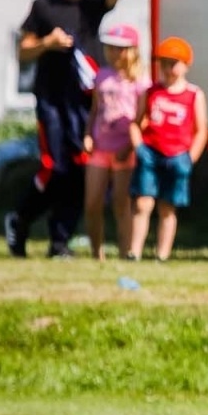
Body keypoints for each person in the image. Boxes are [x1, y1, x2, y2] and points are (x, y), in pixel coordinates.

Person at [4, 0, 134, 258]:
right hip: (51, 101)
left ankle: (59, 242)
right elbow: (23, 52)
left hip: (86, 103)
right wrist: (46, 43)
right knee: (54, 167)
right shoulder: (44, 6)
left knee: (79, 171)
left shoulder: (92, 7)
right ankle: (20, 219)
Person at [126, 37, 207, 262]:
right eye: (164, 63)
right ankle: (134, 251)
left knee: (167, 207)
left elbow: (201, 130)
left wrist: (190, 158)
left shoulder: (194, 94)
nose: (168, 68)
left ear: (185, 65)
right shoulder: (151, 92)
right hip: (151, 152)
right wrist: (139, 146)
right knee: (143, 202)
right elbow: (136, 122)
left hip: (178, 155)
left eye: (174, 63)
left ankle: (162, 254)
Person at [81, 24, 150, 260]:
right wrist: (88, 135)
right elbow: (95, 110)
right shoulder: (102, 75)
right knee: (92, 203)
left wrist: (129, 147)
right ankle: (96, 252)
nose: (114, 53)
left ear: (132, 51)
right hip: (100, 147)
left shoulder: (141, 81)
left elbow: (142, 120)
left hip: (124, 151)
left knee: (121, 204)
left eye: (120, 48)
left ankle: (125, 251)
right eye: (111, 48)